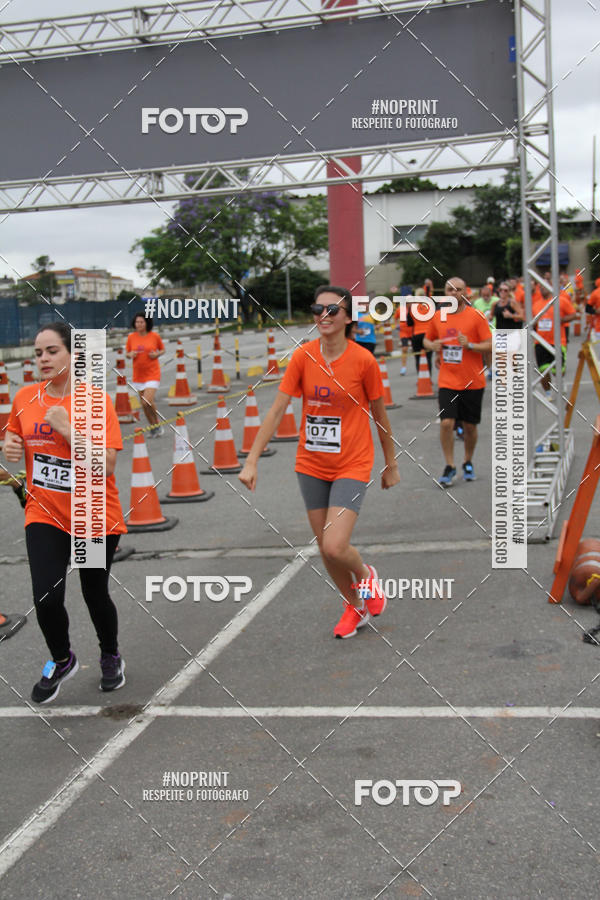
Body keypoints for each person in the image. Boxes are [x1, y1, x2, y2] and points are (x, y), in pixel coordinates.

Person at [239, 285, 400, 639]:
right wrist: (252, 459)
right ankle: (354, 606)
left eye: (333, 310)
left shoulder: (363, 361)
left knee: (334, 545)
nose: (323, 317)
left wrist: (391, 463)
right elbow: (278, 408)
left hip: (353, 463)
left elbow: (380, 417)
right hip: (311, 463)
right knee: (324, 549)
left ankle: (367, 577)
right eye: (317, 310)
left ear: (348, 318)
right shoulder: (303, 357)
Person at [3, 323, 127, 703]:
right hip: (44, 513)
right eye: (38, 352)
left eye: (52, 351)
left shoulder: (96, 402)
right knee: (46, 597)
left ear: (73, 356)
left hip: (92, 513)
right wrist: (9, 451)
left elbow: (105, 464)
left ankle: (110, 655)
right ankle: (62, 659)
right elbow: (13, 446)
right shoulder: (24, 397)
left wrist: (68, 429)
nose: (43, 358)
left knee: (94, 592)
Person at [424, 277, 492, 487]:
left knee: (470, 427)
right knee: (446, 423)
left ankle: (467, 461)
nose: (453, 293)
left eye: (458, 290)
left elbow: (490, 345)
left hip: (473, 380)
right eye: (449, 290)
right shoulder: (437, 317)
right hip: (447, 380)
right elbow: (426, 340)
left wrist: (470, 344)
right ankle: (450, 465)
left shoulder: (476, 316)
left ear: (466, 293)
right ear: (444, 292)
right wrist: (432, 345)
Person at [125, 313, 165, 437]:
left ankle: (158, 424)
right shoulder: (131, 337)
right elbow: (127, 353)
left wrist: (156, 355)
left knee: (145, 401)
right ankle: (153, 427)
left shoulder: (154, 336)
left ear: (147, 323)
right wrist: (130, 355)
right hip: (138, 376)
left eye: (142, 322)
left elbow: (162, 349)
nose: (139, 324)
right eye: (137, 322)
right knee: (146, 404)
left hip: (153, 373)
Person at [533, 285, 576, 395]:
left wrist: (561, 319)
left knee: (558, 370)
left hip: (557, 341)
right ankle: (548, 393)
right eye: (540, 287)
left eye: (544, 286)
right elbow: (533, 322)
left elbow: (573, 314)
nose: (542, 288)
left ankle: (561, 380)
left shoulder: (561, 301)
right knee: (543, 370)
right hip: (540, 342)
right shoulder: (536, 305)